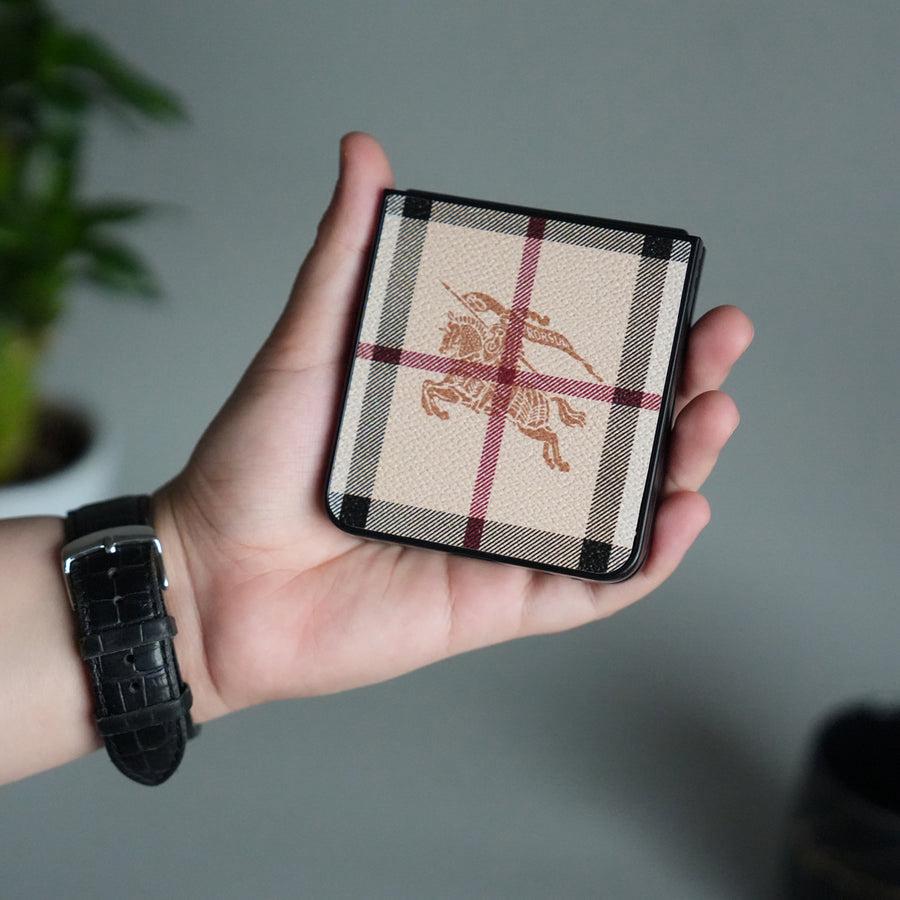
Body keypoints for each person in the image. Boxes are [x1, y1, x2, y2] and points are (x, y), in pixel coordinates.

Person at [0, 133, 753, 785]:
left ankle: (554, 440)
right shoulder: (479, 326)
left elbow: (538, 340)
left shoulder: (519, 332)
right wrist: (194, 595)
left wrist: (197, 600)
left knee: (559, 433)